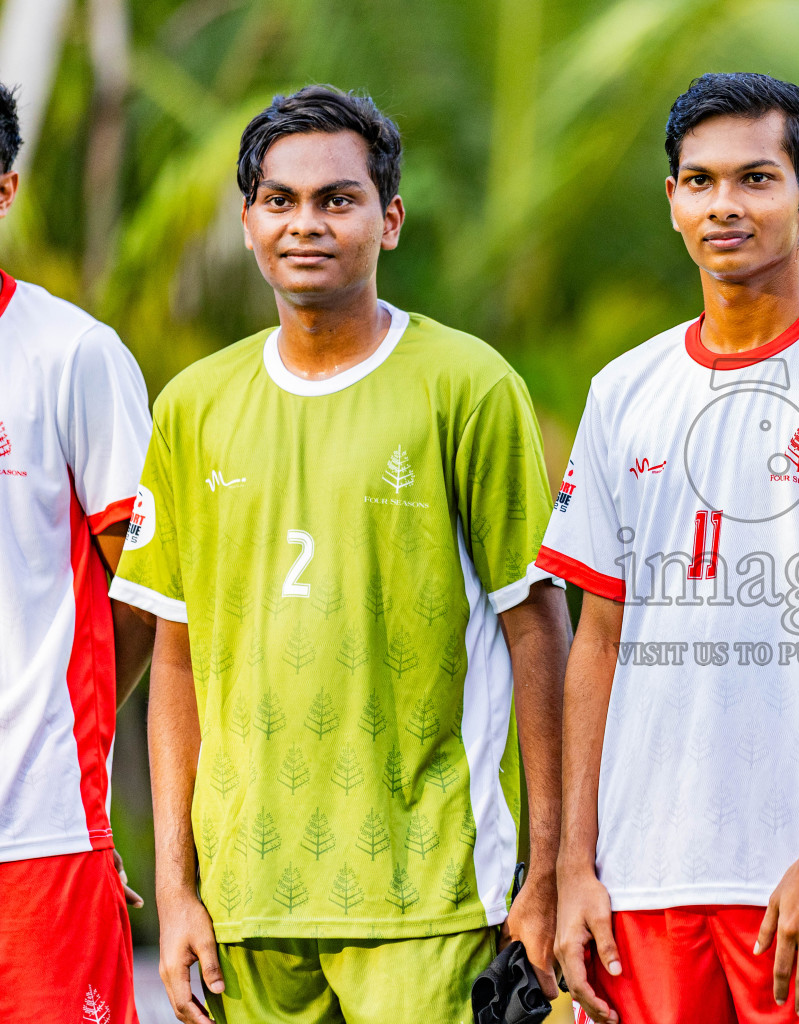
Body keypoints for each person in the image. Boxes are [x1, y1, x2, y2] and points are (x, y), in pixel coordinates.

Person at [108, 86, 570, 1024]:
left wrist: (551, 872)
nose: (305, 223)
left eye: (338, 199)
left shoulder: (469, 386)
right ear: (246, 223)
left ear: (388, 220)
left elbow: (539, 631)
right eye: (280, 201)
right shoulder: (192, 406)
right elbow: (177, 656)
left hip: (428, 896)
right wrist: (180, 886)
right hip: (247, 908)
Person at [541, 73, 799, 1024]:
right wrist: (573, 867)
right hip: (642, 889)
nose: (725, 205)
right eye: (699, 180)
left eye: (756, 178)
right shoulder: (623, 389)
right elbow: (596, 641)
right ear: (672, 199)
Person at [0, 81, 154, 1024]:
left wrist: (78, 768)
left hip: (39, 837)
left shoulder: (71, 355)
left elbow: (144, 597)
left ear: (6, 187)